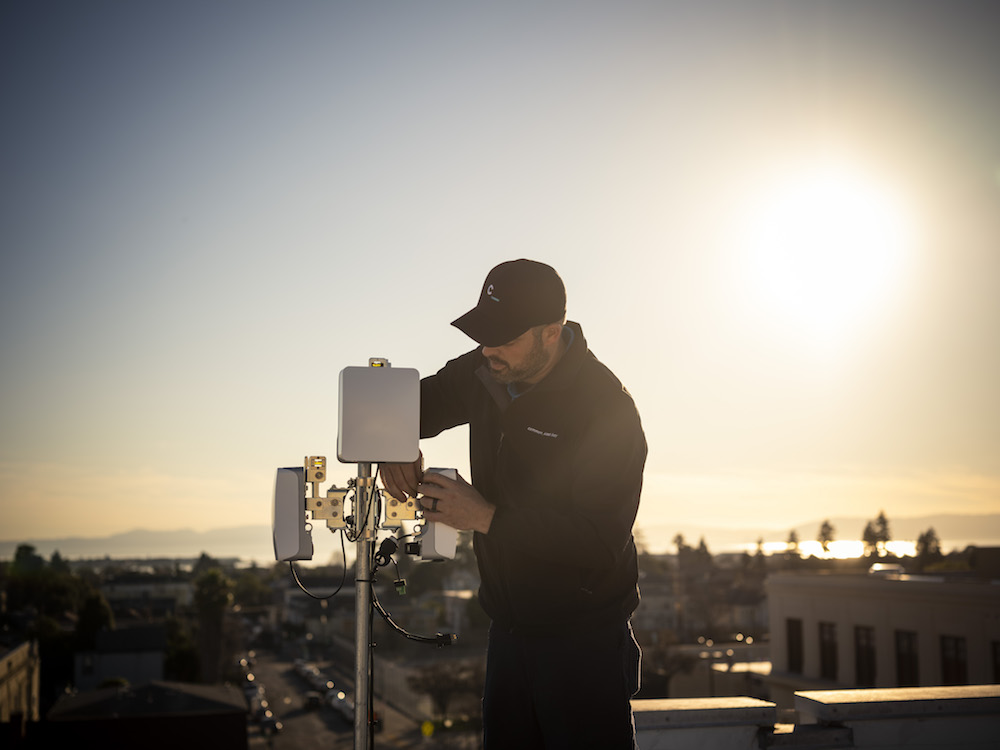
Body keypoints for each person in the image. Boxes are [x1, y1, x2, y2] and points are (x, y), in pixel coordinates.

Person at [381, 259, 646, 749]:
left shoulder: (607, 411)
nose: (487, 348)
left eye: (503, 336)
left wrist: (485, 518)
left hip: (583, 643)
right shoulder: (483, 371)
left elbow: (596, 542)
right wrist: (392, 444)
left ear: (552, 333)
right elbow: (392, 404)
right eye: (483, 333)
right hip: (508, 631)